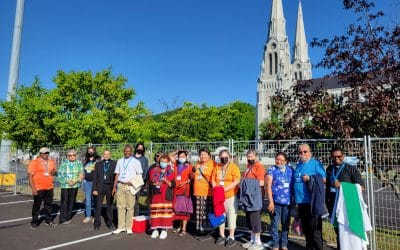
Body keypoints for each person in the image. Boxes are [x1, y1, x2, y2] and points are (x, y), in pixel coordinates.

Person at [326, 147, 364, 250]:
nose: (336, 159)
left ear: (343, 156)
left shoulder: (351, 169)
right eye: (334, 157)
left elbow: (361, 187)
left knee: (349, 233)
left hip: (347, 207)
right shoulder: (329, 169)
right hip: (333, 206)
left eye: (339, 156)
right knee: (338, 232)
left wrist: (341, 185)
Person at [293, 144, 326, 250]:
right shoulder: (298, 165)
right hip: (301, 203)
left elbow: (324, 179)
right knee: (306, 230)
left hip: (312, 202)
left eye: (305, 151)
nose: (302, 154)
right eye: (300, 152)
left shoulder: (316, 164)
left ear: (310, 153)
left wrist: (310, 178)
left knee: (315, 231)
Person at [212, 149, 241, 247]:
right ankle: (222, 234)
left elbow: (236, 181)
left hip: (230, 196)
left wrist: (224, 189)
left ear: (229, 157)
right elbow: (213, 179)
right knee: (220, 215)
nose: (224, 159)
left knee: (231, 215)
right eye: (222, 157)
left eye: (226, 157)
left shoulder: (234, 167)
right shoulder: (217, 167)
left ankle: (231, 236)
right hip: (218, 196)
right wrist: (216, 188)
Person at [266, 152, 295, 250]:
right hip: (275, 203)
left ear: (286, 161)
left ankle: (284, 244)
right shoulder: (271, 170)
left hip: (288, 203)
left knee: (285, 224)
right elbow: (268, 186)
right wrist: (270, 202)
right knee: (275, 224)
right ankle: (275, 245)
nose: (279, 161)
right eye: (277, 159)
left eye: (281, 160)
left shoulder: (291, 170)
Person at [112, 145, 143, 234]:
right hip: (120, 185)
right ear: (123, 151)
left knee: (130, 207)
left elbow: (139, 175)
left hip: (130, 186)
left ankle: (128, 227)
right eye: (125, 151)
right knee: (120, 207)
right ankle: (120, 227)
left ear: (131, 151)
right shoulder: (120, 161)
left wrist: (134, 183)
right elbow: (117, 175)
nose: (127, 152)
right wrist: (114, 187)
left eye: (129, 151)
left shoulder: (136, 162)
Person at [240, 149, 265, 250]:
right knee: (249, 219)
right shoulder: (248, 166)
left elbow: (261, 182)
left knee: (255, 219)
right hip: (248, 196)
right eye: (248, 156)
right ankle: (252, 240)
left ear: (256, 157)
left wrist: (246, 183)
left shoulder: (259, 166)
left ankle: (258, 242)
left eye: (252, 156)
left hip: (255, 197)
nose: (250, 158)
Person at [28, 147, 57, 229]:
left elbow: (54, 172)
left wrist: (54, 172)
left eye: (47, 153)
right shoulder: (34, 162)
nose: (46, 154)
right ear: (40, 153)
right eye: (44, 153)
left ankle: (48, 220)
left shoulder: (51, 161)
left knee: (48, 205)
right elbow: (30, 176)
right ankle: (34, 221)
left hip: (49, 187)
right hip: (38, 188)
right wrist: (33, 189)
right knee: (37, 205)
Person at [149, 154, 175, 239]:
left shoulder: (171, 171)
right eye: (161, 161)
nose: (163, 163)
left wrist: (165, 179)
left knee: (165, 212)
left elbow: (172, 184)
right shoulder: (154, 170)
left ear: (168, 162)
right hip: (156, 194)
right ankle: (155, 229)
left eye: (165, 162)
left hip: (166, 194)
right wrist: (157, 180)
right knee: (156, 212)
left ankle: (164, 229)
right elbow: (152, 179)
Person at [192, 147, 216, 240]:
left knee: (205, 212)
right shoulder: (198, 164)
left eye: (205, 154)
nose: (203, 156)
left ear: (209, 155)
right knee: (199, 213)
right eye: (201, 154)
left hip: (207, 192)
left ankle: (206, 231)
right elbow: (193, 176)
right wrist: (194, 169)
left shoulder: (213, 164)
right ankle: (199, 230)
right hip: (197, 192)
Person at [58, 149, 84, 225]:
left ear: (76, 156)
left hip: (75, 185)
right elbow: (60, 175)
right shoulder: (64, 164)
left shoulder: (79, 163)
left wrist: (76, 181)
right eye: (70, 155)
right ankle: (62, 219)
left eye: (74, 155)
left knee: (72, 202)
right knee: (64, 202)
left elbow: (81, 174)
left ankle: (68, 217)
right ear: (67, 156)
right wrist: (68, 181)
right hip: (65, 186)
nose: (72, 156)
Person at [93, 149, 117, 230]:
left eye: (108, 154)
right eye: (105, 154)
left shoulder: (114, 163)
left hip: (109, 187)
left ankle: (110, 222)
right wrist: (94, 189)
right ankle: (97, 223)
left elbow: (116, 177)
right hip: (100, 187)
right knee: (98, 206)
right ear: (103, 155)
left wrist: (115, 188)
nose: (106, 155)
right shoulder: (98, 164)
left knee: (109, 205)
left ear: (110, 155)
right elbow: (95, 177)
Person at [170, 150, 193, 236]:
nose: (182, 158)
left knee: (185, 210)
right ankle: (179, 226)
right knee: (179, 209)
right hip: (176, 191)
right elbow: (169, 155)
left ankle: (184, 229)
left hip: (185, 191)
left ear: (186, 157)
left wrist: (186, 181)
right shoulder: (176, 164)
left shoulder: (189, 166)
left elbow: (192, 177)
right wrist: (178, 151)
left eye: (183, 156)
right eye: (180, 156)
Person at [82, 146, 101, 223]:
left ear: (94, 151)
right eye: (89, 151)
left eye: (91, 151)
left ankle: (96, 216)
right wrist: (83, 180)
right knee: (88, 200)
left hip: (95, 182)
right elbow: (83, 171)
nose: (90, 152)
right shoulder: (85, 160)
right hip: (87, 182)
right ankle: (88, 216)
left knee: (95, 200)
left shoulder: (98, 159)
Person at [133, 142, 149, 216]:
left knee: (136, 201)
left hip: (138, 182)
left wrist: (143, 182)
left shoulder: (145, 159)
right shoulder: (131, 158)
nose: (140, 149)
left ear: (143, 149)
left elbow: (146, 171)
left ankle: (135, 217)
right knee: (128, 201)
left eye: (141, 148)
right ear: (136, 148)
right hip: (129, 181)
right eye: (138, 147)